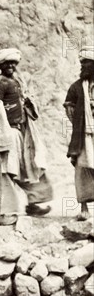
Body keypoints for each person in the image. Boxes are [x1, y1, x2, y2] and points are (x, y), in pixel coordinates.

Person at [0, 48, 53, 224]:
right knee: (6, 170)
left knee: (28, 167)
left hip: (21, 132)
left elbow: (25, 105)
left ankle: (34, 203)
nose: (11, 66)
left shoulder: (16, 82)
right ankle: (2, 212)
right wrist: (2, 132)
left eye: (13, 63)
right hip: (7, 132)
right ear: (0, 65)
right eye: (7, 63)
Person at [63, 45, 94, 222]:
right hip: (83, 136)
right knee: (82, 169)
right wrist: (79, 121)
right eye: (82, 64)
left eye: (87, 64)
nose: (83, 67)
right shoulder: (76, 87)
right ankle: (84, 208)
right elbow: (69, 106)